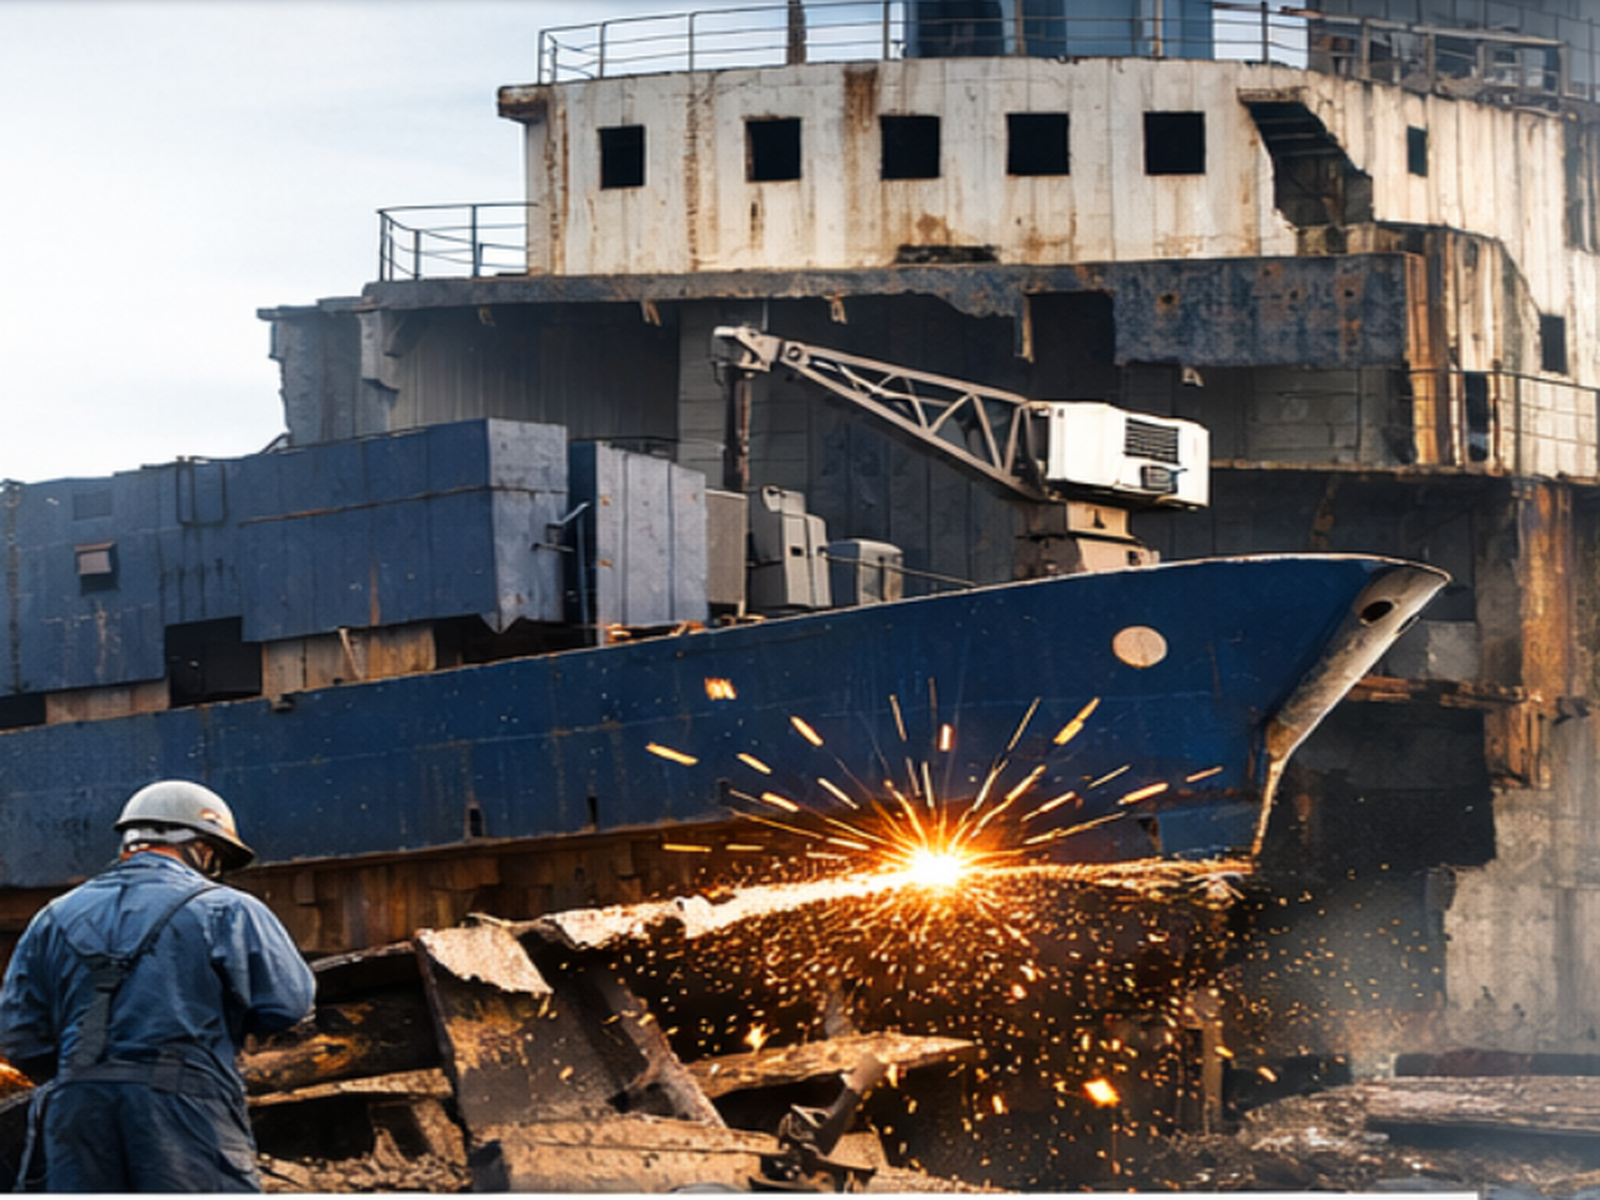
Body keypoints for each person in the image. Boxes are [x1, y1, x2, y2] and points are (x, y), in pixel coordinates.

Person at [0, 779, 316, 1192]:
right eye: (215, 856)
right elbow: (287, 1005)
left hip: (77, 1114)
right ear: (200, 846)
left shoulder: (51, 918)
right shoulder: (226, 909)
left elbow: (20, 1037)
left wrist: (86, 1073)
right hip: (182, 1107)